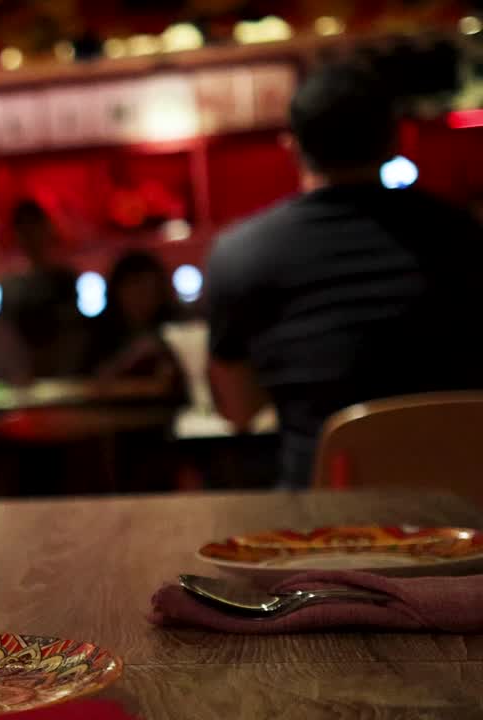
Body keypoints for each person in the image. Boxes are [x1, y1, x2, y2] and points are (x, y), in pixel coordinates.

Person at [205, 60, 483, 488]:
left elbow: (238, 409)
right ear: (394, 141)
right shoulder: (464, 236)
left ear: (293, 146)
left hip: (321, 525)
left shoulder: (239, 253)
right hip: (463, 514)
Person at [0, 200, 87, 379]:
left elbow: (74, 333)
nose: (31, 236)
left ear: (47, 229)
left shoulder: (65, 277)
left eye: (34, 228)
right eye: (24, 230)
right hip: (22, 377)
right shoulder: (10, 285)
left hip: (64, 374)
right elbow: (5, 338)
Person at [82, 251, 186, 400]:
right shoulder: (100, 332)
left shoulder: (174, 329)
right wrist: (132, 355)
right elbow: (88, 382)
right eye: (136, 290)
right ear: (117, 291)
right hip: (111, 413)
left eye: (151, 290)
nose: (144, 299)